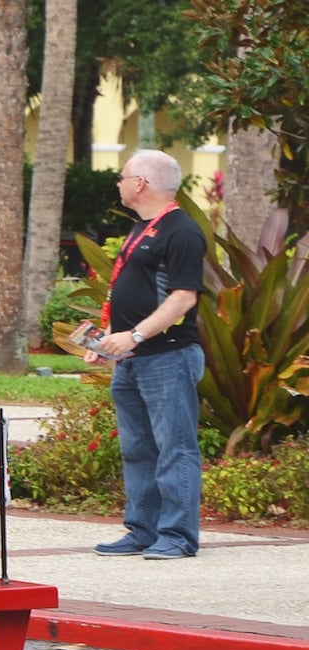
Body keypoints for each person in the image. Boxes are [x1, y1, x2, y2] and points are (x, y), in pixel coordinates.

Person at [87, 149, 206, 560]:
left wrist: (134, 336)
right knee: (137, 448)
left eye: (123, 176)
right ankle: (142, 529)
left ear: (141, 183)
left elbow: (183, 298)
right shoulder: (142, 229)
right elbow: (127, 291)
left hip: (168, 358)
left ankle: (177, 535)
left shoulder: (181, 231)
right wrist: (106, 342)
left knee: (175, 447)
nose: (118, 183)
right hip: (133, 359)